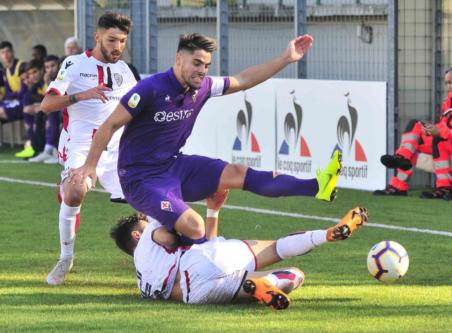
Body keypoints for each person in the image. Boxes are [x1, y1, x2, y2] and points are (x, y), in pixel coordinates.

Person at [70, 33, 341, 247]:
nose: (202, 70)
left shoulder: (204, 88)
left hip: (175, 167)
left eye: (206, 65)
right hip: (141, 179)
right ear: (179, 59)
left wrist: (286, 58)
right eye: (197, 63)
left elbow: (243, 79)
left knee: (236, 172)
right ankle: (198, 269)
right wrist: (90, 166)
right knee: (194, 226)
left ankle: (319, 186)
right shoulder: (150, 89)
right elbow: (109, 125)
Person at [111, 190, 368, 309]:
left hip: (196, 294)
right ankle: (327, 235)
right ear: (137, 233)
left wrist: (212, 213)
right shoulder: (148, 236)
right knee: (276, 248)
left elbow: (200, 251)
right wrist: (167, 215)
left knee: (294, 274)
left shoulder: (142, 279)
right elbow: (169, 238)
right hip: (201, 261)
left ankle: (263, 284)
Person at [40, 12, 139, 286]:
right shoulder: (73, 64)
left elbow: (138, 108)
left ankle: (152, 260)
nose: (117, 46)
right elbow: (46, 105)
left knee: (146, 201)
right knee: (74, 192)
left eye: (122, 41)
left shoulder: (125, 71)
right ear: (97, 37)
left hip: (117, 149)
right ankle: (65, 257)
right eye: (111, 40)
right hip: (81, 145)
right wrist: (80, 95)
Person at [374, 68, 452, 199]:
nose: (449, 86)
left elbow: (444, 131)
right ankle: (399, 175)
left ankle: (445, 187)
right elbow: (444, 126)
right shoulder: (448, 102)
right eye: (447, 83)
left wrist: (440, 132)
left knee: (439, 139)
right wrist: (431, 129)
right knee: (415, 126)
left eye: (451, 82)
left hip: (446, 143)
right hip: (446, 142)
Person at [27, 55, 62, 163]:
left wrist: (47, 84)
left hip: (69, 110)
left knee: (51, 113)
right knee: (41, 114)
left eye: (53, 66)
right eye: (47, 67)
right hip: (58, 110)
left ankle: (51, 151)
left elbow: (58, 97)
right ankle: (44, 149)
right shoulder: (45, 80)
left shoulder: (62, 77)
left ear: (59, 65)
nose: (50, 69)